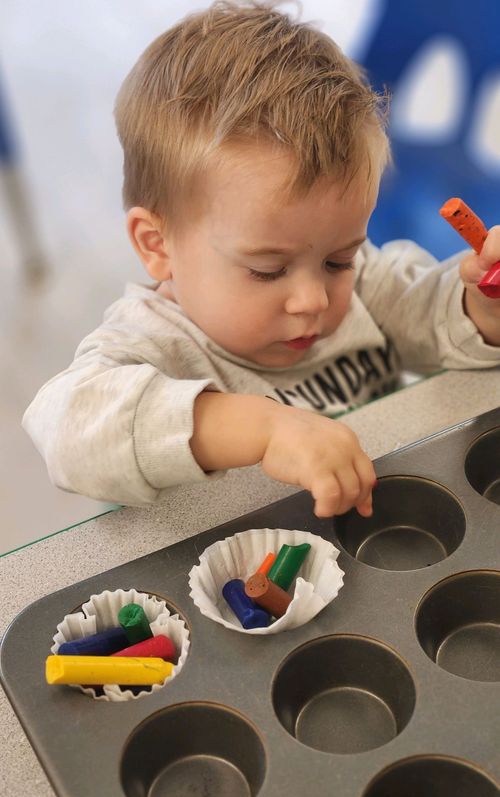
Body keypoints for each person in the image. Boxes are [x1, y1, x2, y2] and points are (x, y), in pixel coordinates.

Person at [23, 1, 500, 519]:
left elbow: (434, 319)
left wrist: (484, 302)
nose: (313, 299)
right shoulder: (153, 344)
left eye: (338, 260)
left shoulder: (364, 286)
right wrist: (265, 429)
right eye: (268, 270)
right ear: (157, 246)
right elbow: (66, 427)